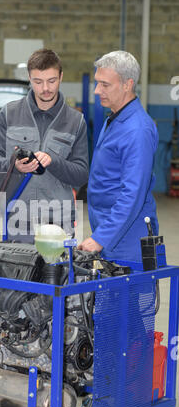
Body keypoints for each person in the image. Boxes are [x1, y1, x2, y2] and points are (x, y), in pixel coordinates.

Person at [0, 48, 88, 242]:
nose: (45, 88)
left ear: (61, 77)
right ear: (30, 79)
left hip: (59, 222)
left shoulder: (76, 121)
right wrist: (13, 165)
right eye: (38, 82)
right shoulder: (9, 114)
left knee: (57, 273)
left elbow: (81, 174)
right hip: (18, 219)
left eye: (51, 81)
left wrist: (54, 161)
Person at [79, 50, 159, 262]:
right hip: (110, 230)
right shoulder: (114, 119)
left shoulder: (137, 130)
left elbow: (132, 193)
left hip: (129, 239)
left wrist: (100, 238)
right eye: (97, 83)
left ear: (127, 84)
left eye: (105, 85)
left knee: (129, 295)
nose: (97, 91)